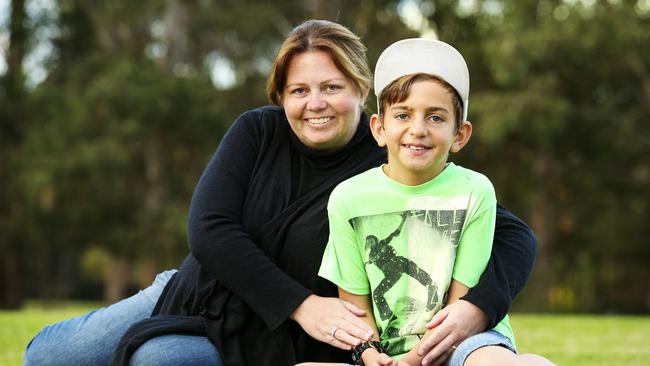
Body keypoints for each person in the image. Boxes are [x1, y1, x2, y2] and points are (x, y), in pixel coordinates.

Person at [23, 21, 537, 366]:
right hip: (203, 292)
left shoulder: (391, 153)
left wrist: (478, 309)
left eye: (332, 87)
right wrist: (302, 305)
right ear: (282, 95)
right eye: (299, 90)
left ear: (361, 92)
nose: (316, 104)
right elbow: (209, 229)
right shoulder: (257, 131)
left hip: (278, 337)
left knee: (158, 360)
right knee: (46, 358)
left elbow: (514, 237)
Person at [316, 38, 554, 366]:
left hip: (466, 342)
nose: (418, 129)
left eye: (436, 118)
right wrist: (370, 356)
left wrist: (413, 361)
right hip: (385, 354)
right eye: (402, 115)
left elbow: (461, 305)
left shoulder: (474, 190)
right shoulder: (347, 198)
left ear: (460, 134)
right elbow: (355, 309)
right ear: (379, 128)